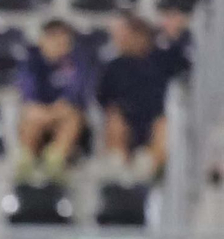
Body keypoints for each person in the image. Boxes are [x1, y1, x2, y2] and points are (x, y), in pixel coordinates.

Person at [16, 19, 92, 182]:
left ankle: (56, 159)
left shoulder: (77, 61)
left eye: (64, 39)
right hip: (39, 116)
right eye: (54, 38)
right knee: (30, 118)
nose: (60, 43)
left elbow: (75, 96)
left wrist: (54, 112)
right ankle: (26, 159)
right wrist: (45, 113)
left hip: (63, 117)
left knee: (73, 118)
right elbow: (28, 96)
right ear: (43, 39)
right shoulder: (31, 60)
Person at [97, 12, 170, 178]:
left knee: (163, 125)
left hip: (153, 118)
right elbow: (103, 99)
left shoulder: (159, 63)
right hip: (125, 119)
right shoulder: (114, 67)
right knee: (114, 119)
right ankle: (118, 163)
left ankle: (148, 164)